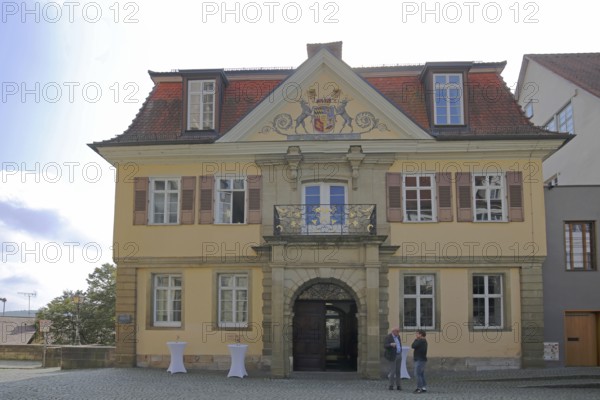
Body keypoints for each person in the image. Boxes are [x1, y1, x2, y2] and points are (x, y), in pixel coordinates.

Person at [411, 329, 428, 393]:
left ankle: (419, 388)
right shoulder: (423, 341)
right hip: (422, 359)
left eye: (417, 334)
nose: (416, 335)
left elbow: (413, 346)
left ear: (421, 334)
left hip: (419, 359)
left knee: (417, 374)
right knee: (421, 374)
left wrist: (416, 340)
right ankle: (423, 387)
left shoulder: (420, 341)